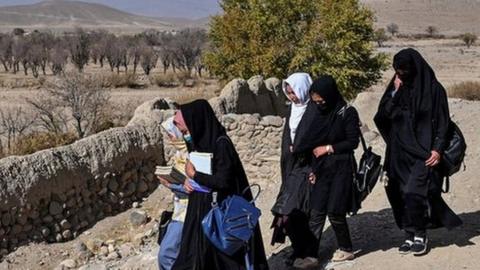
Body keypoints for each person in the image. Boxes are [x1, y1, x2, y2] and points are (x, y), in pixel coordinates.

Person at [374, 48, 462, 256]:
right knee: (398, 193)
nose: (400, 74)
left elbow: (442, 123)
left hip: (424, 153)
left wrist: (437, 149)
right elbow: (383, 116)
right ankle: (409, 233)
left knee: (415, 193)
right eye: (397, 71)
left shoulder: (434, 90)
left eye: (404, 70)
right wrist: (394, 93)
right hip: (397, 152)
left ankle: (420, 234)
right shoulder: (396, 88)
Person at [171, 99, 269, 270]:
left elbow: (223, 181)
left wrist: (195, 175)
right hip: (200, 211)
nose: (183, 132)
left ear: (196, 121)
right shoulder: (199, 143)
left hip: (220, 215)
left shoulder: (221, 144)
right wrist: (189, 181)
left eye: (184, 128)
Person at [293, 75, 360, 267]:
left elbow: (352, 142)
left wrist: (329, 148)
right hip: (322, 169)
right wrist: (313, 169)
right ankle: (311, 255)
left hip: (341, 168)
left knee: (335, 211)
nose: (319, 105)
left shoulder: (347, 113)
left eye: (322, 101)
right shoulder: (319, 114)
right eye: (316, 102)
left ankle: (346, 249)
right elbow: (311, 144)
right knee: (317, 211)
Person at [270, 73, 319, 267]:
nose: (292, 96)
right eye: (288, 92)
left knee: (300, 211)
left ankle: (310, 253)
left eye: (294, 92)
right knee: (284, 213)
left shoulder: (315, 110)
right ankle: (298, 249)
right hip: (292, 168)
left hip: (307, 168)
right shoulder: (292, 110)